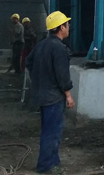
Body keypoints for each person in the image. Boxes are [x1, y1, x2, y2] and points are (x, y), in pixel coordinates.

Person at [26, 11, 75, 175]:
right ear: (61, 27)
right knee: (52, 132)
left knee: (48, 129)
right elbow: (62, 75)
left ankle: (53, 161)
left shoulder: (42, 45)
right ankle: (46, 166)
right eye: (67, 24)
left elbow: (29, 62)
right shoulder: (59, 48)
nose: (69, 27)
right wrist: (68, 95)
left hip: (42, 94)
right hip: (54, 97)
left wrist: (39, 79)